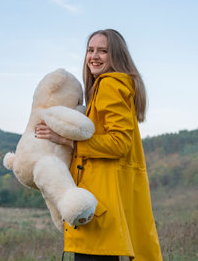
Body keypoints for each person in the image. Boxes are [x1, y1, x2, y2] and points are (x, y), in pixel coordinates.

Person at [36, 29, 162, 260]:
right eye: (90, 50)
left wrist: (67, 139)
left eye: (103, 51)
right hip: (102, 200)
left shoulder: (110, 85)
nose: (94, 56)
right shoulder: (104, 88)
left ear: (116, 56)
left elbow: (119, 143)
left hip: (99, 203)